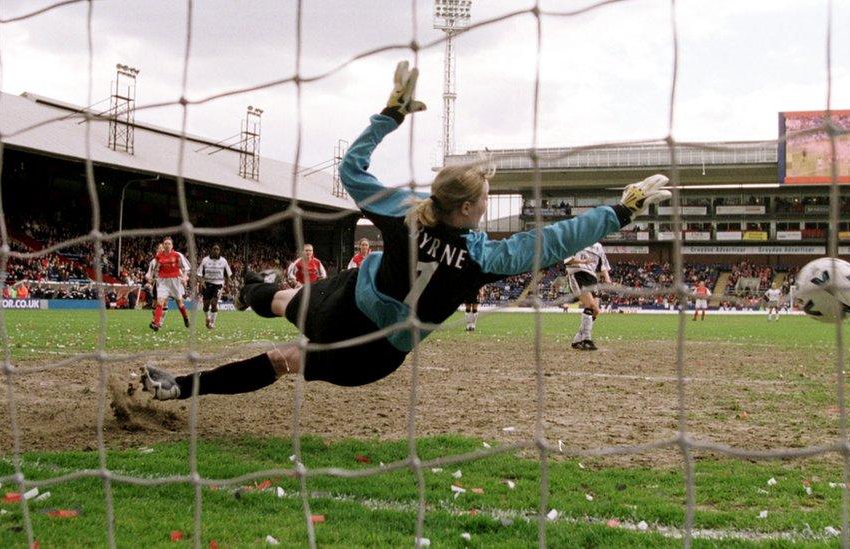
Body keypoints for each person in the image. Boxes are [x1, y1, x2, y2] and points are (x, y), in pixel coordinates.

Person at [139, 61, 671, 401]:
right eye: (484, 198)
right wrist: (621, 211)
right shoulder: (489, 257)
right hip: (377, 352)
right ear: (467, 208)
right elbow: (555, 241)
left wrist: (388, 117)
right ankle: (180, 388)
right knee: (286, 360)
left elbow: (351, 170)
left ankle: (247, 293)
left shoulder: (404, 212)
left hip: (344, 304)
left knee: (280, 299)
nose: (488, 205)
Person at [564, 242, 611, 350]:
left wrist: (607, 279)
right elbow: (567, 260)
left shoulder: (598, 246)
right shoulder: (577, 240)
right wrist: (583, 261)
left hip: (592, 278)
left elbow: (603, 265)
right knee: (590, 306)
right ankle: (586, 340)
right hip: (578, 274)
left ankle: (577, 340)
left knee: (596, 311)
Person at [146, 236, 191, 331]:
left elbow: (186, 268)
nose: (167, 245)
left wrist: (184, 277)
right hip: (163, 282)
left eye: (169, 244)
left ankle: (186, 318)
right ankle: (157, 323)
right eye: (165, 244)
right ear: (163, 245)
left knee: (179, 303)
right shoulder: (159, 256)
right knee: (160, 302)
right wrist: (151, 276)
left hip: (175, 281)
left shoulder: (177, 255)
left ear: (172, 245)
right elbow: (156, 268)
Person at [197, 244, 233, 329]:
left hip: (218, 284)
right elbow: (199, 274)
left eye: (218, 249)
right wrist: (201, 282)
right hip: (207, 284)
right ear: (211, 250)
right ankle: (207, 318)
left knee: (214, 303)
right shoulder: (205, 260)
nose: (216, 251)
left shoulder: (223, 261)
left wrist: (227, 286)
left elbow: (228, 275)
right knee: (205, 305)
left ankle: (212, 323)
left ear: (219, 251)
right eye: (214, 249)